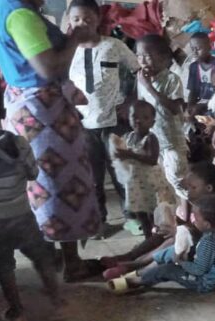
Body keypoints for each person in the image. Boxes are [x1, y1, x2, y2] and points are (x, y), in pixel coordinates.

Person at [0, 0, 102, 281]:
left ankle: (54, 259)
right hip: (43, 114)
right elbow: (48, 68)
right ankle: (71, 264)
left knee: (44, 186)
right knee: (61, 184)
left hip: (32, 110)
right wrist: (75, 37)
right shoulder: (20, 16)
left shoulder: (8, 11)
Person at [0, 83, 63, 321]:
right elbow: (32, 174)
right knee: (39, 255)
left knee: (3, 264)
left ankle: (17, 312)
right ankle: (56, 296)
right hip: (21, 213)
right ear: (3, 113)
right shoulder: (19, 143)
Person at [68, 0, 138, 232]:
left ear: (98, 19)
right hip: (82, 125)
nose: (82, 23)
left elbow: (138, 71)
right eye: (76, 19)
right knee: (92, 177)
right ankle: (100, 220)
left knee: (121, 171)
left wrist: (129, 102)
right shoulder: (66, 52)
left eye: (88, 18)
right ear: (69, 21)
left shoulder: (114, 46)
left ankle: (132, 216)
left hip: (114, 122)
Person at [101, 162, 215, 280]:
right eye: (187, 187)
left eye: (193, 187)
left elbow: (208, 234)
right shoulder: (196, 201)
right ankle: (129, 256)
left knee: (172, 241)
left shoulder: (213, 207)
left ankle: (135, 265)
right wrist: (175, 227)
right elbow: (187, 223)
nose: (188, 191)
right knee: (162, 235)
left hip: (202, 247)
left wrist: (178, 232)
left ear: (209, 188)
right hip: (189, 238)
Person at [108, 195, 215, 293]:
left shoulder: (209, 242)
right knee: (173, 250)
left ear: (207, 225)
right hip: (203, 265)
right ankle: (141, 271)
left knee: (167, 270)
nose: (193, 220)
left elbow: (199, 270)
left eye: (196, 218)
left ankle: (137, 281)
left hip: (204, 281)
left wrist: (181, 262)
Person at [135, 34, 189, 207]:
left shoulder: (172, 79)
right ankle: (171, 217)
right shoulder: (141, 78)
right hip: (153, 140)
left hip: (172, 141)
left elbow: (174, 108)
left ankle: (190, 217)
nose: (142, 60)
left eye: (147, 56)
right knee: (159, 181)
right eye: (139, 55)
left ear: (163, 58)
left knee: (178, 179)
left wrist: (149, 87)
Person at [113, 100, 168, 239]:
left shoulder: (151, 138)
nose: (138, 121)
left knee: (153, 213)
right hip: (136, 184)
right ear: (128, 118)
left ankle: (157, 238)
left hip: (150, 183)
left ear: (152, 122)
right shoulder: (129, 137)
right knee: (140, 213)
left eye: (145, 118)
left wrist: (130, 154)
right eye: (134, 117)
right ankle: (147, 238)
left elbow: (152, 160)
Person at [186, 32, 215, 117]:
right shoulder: (193, 67)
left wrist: (201, 106)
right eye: (192, 49)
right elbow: (193, 92)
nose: (195, 52)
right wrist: (189, 107)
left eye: (198, 48)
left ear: (209, 46)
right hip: (200, 105)